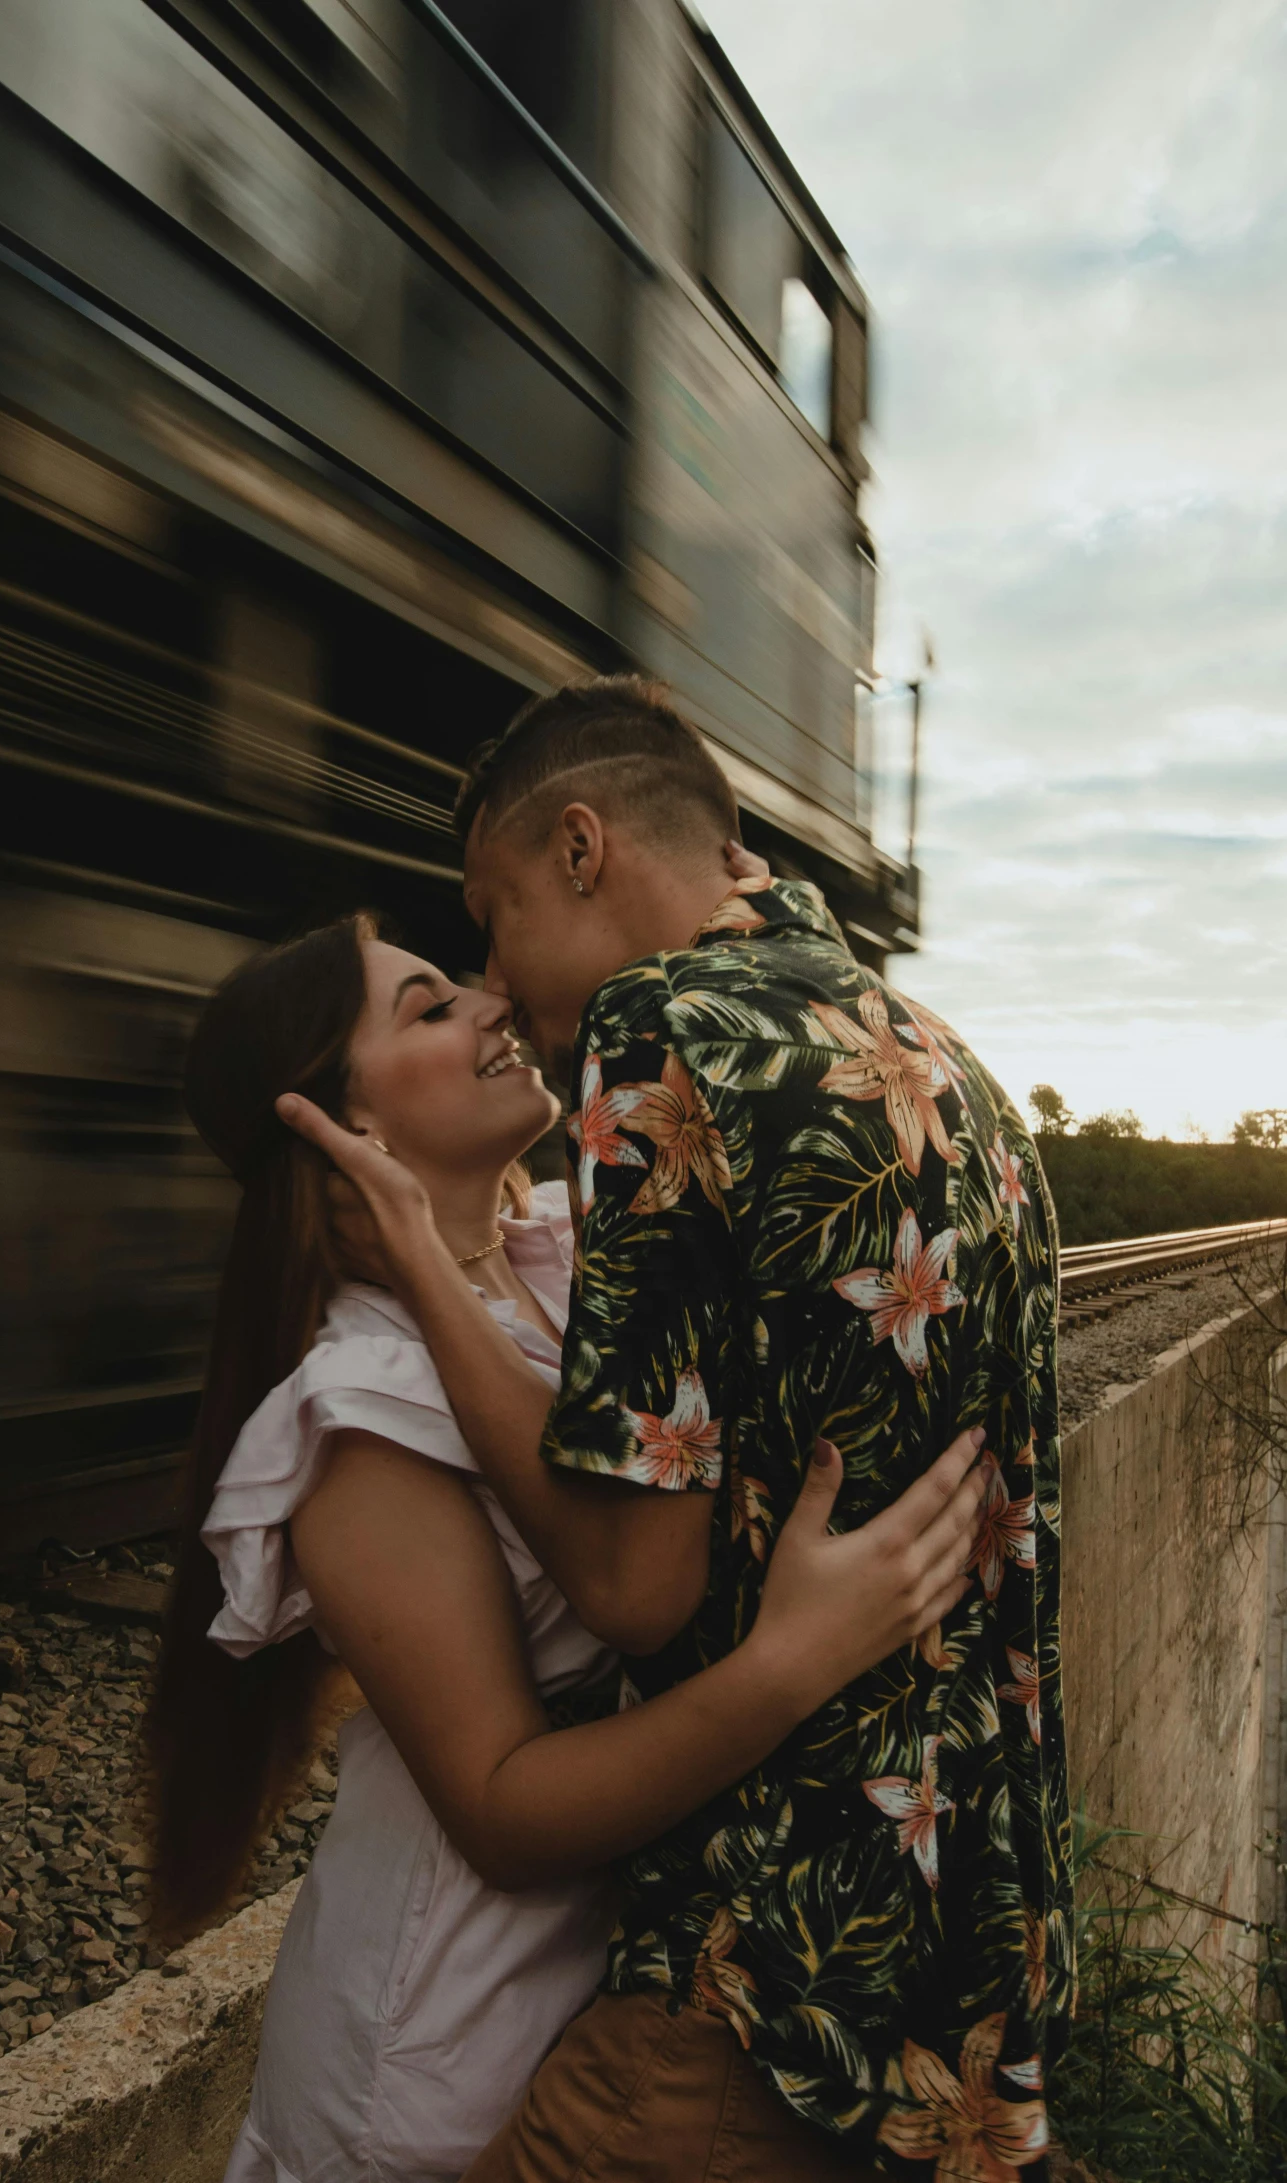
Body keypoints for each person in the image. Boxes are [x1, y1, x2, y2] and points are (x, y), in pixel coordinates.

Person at [280, 677, 1073, 2181]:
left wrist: (412, 1265)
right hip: (962, 1981)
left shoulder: (660, 1031)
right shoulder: (937, 1053)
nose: (498, 987)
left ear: (581, 848)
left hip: (749, 1996)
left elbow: (634, 1585)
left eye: (492, 916)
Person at [145, 911, 991, 2183]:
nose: (490, 1002)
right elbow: (499, 1809)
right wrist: (794, 1658)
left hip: (592, 2000)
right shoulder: (356, 1417)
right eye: (428, 1006)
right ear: (342, 1126)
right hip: (439, 2062)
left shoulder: (552, 1260)